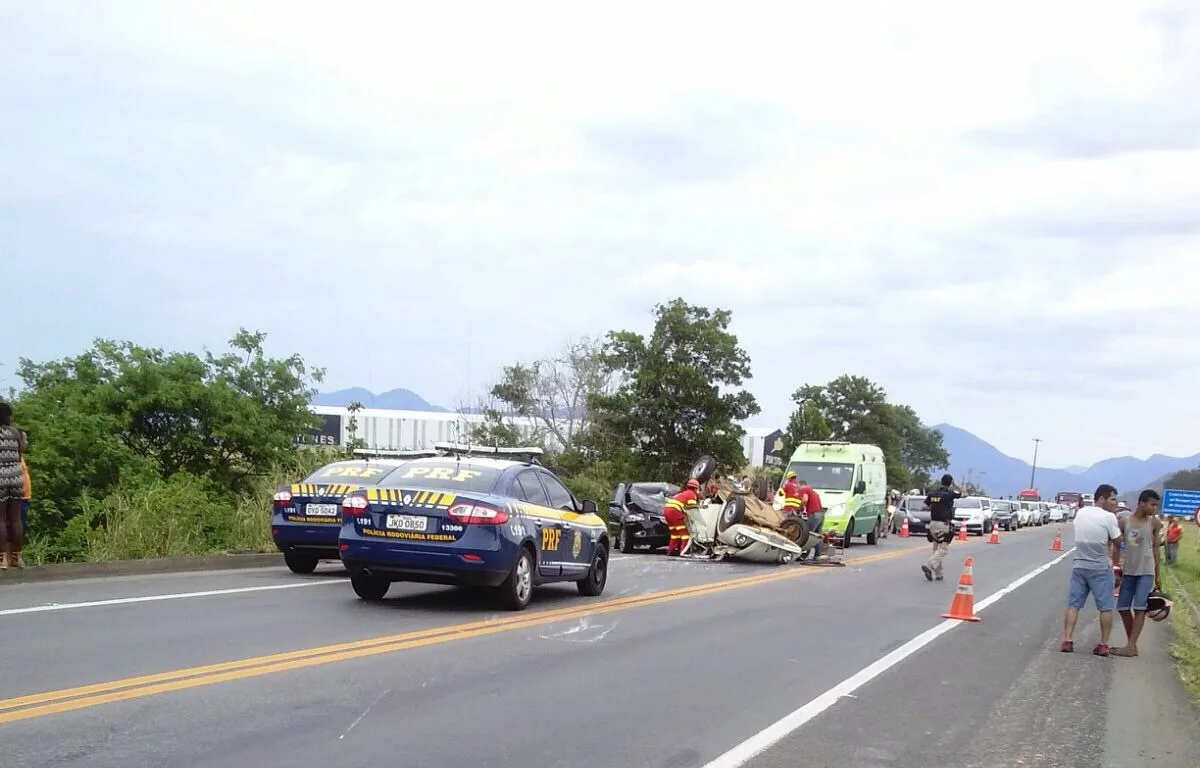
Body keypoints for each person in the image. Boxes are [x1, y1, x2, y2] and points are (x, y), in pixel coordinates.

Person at [1061, 484, 1123, 656]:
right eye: (1112, 499)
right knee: (1105, 607)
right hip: (1100, 568)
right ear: (1101, 499)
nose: (1114, 502)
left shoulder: (1081, 513)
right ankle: (1103, 644)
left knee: (1074, 605)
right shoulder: (1110, 517)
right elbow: (1118, 542)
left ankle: (1067, 640)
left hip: (1080, 565)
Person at [1112, 490, 1163, 657]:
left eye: (1156, 505)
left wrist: (1158, 574)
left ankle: (1131, 645)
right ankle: (1131, 645)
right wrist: (1116, 568)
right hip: (1129, 571)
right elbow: (1117, 545)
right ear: (1141, 503)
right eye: (1152, 504)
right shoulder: (1124, 522)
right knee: (1123, 607)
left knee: (1140, 608)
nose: (1155, 508)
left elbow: (1156, 549)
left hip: (1146, 571)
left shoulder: (1154, 523)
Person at [0, 403, 27, 569]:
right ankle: (17, 558)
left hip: (0, 478)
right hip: (16, 477)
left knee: (1, 519)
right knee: (16, 519)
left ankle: (2, 559)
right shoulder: (15, 433)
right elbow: (20, 454)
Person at [921, 474, 963, 581]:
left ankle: (938, 574)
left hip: (932, 524)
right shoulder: (949, 494)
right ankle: (929, 565)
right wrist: (957, 486)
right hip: (943, 525)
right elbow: (965, 494)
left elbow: (924, 506)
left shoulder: (932, 493)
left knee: (936, 549)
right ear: (950, 483)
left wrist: (935, 506)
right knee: (943, 549)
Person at [663, 479, 701, 556]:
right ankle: (683, 551)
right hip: (675, 511)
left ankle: (671, 551)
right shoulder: (692, 495)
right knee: (685, 534)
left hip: (667, 511)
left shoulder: (683, 493)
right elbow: (692, 509)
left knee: (675, 534)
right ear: (696, 488)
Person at [795, 477, 825, 558]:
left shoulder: (804, 489)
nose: (797, 489)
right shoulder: (813, 492)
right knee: (817, 536)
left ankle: (803, 554)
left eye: (797, 487)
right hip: (821, 514)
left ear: (801, 485)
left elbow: (805, 500)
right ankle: (817, 555)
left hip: (814, 515)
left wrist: (800, 508)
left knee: (807, 534)